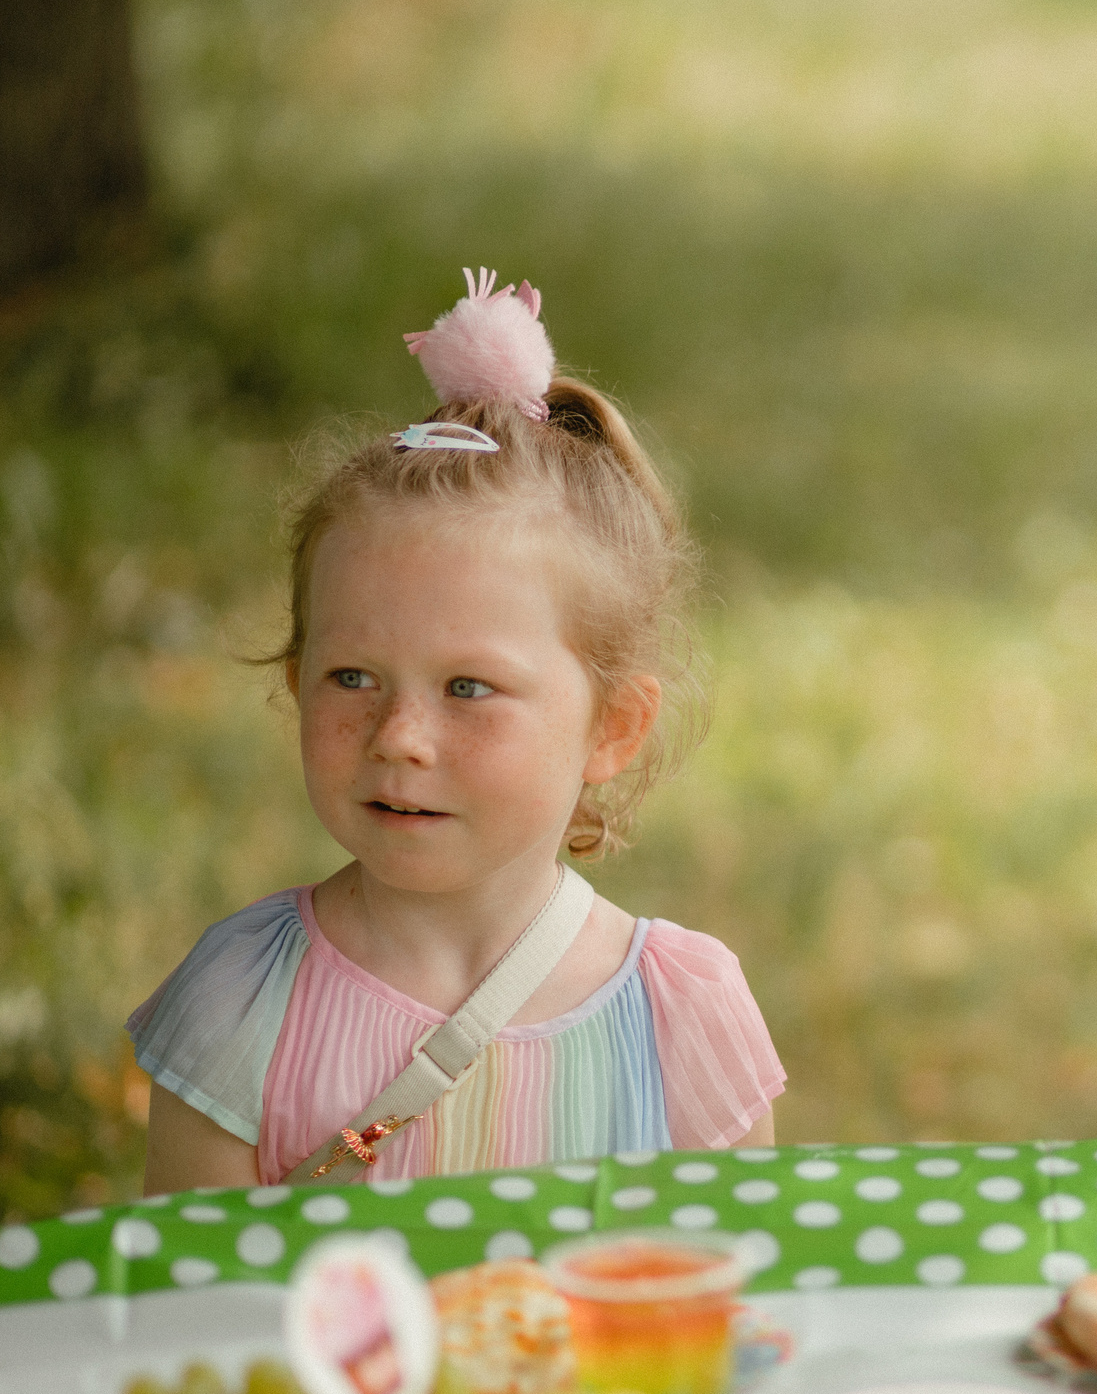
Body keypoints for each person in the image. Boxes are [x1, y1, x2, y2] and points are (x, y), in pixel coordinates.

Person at [135, 269, 783, 1192]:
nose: (399, 735)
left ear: (613, 726)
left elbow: (724, 1294)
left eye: (468, 687)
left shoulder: (681, 1016)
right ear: (295, 680)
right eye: (351, 676)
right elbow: (188, 1313)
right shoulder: (244, 1002)